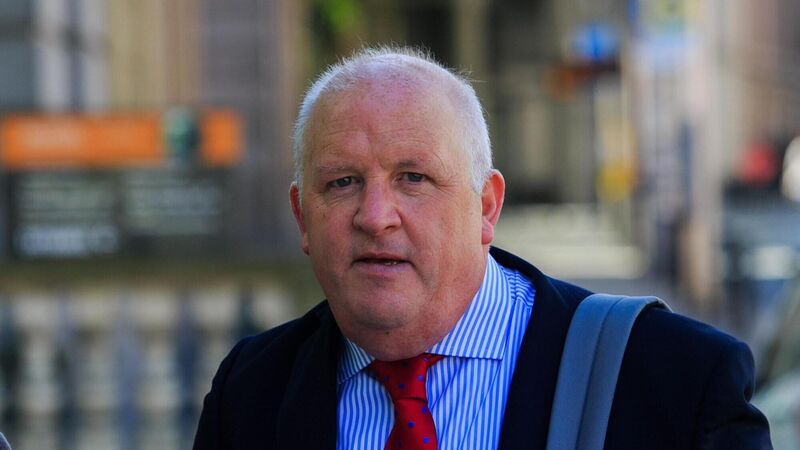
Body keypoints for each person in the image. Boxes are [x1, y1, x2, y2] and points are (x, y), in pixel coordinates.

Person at [193, 47, 772, 450]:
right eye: (343, 182)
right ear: (302, 217)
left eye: (413, 178)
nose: (374, 216)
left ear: (487, 208)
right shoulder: (250, 392)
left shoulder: (679, 379)